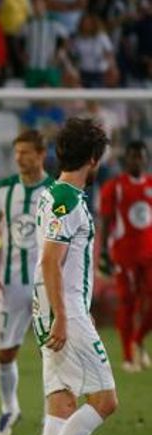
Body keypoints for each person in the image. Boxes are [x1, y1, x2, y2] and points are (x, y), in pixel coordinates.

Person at [25, 117, 118, 435]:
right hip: (62, 308)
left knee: (62, 400)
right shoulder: (68, 199)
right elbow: (51, 260)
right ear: (93, 158)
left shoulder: (52, 193)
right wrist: (65, 317)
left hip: (50, 305)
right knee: (105, 400)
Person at [0, 130, 54, 435]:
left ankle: (52, 416)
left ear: (41, 154)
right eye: (17, 152)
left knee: (51, 352)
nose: (19, 158)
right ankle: (9, 409)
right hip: (10, 283)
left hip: (47, 285)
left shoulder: (55, 190)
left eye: (26, 152)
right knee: (4, 352)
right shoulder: (3, 189)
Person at [99, 141, 152, 372]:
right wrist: (103, 251)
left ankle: (138, 340)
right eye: (133, 156)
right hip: (125, 254)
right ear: (126, 160)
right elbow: (106, 220)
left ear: (146, 159)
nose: (137, 160)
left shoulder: (150, 184)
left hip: (149, 254)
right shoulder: (115, 187)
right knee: (128, 303)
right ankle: (128, 357)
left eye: (141, 156)